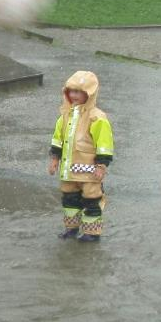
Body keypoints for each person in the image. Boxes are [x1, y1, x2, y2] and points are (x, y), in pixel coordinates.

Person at [48, 71, 114, 242]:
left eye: (79, 92)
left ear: (89, 94)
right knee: (69, 200)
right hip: (68, 169)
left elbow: (104, 143)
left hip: (89, 170)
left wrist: (101, 165)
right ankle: (71, 228)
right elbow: (58, 139)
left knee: (91, 200)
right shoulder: (65, 115)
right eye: (71, 91)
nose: (74, 95)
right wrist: (55, 158)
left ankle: (92, 232)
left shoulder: (97, 117)